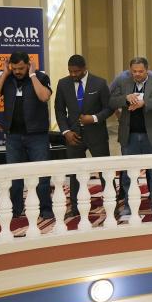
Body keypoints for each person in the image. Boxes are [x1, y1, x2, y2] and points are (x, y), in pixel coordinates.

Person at [0, 52, 54, 220]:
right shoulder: (8, 79)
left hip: (37, 135)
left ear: (28, 65)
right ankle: (16, 210)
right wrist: (4, 74)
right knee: (14, 176)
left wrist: (32, 75)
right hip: (13, 136)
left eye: (21, 68)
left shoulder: (40, 77)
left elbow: (44, 96)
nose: (17, 71)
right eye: (14, 68)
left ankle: (45, 209)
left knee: (42, 175)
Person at [109, 57, 152, 219]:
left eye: (140, 71)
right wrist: (125, 98)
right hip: (130, 136)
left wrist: (145, 103)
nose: (137, 74)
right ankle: (129, 206)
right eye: (134, 71)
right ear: (130, 71)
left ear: (147, 70)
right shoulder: (123, 83)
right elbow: (110, 100)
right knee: (129, 174)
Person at [54, 54, 112, 214]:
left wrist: (93, 118)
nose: (73, 74)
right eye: (70, 71)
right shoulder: (63, 83)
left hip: (97, 134)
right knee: (75, 173)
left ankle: (111, 205)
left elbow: (109, 108)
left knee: (105, 171)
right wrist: (66, 131)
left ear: (84, 68)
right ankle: (76, 208)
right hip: (73, 136)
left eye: (76, 71)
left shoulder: (99, 83)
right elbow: (59, 110)